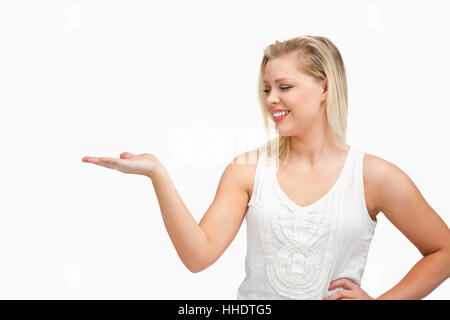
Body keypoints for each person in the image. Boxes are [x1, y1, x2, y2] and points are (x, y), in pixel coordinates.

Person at [82, 35, 450, 300]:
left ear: (324, 87)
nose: (272, 99)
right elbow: (198, 256)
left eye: (285, 86)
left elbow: (443, 251)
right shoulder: (246, 170)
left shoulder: (375, 176)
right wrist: (158, 174)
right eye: (266, 89)